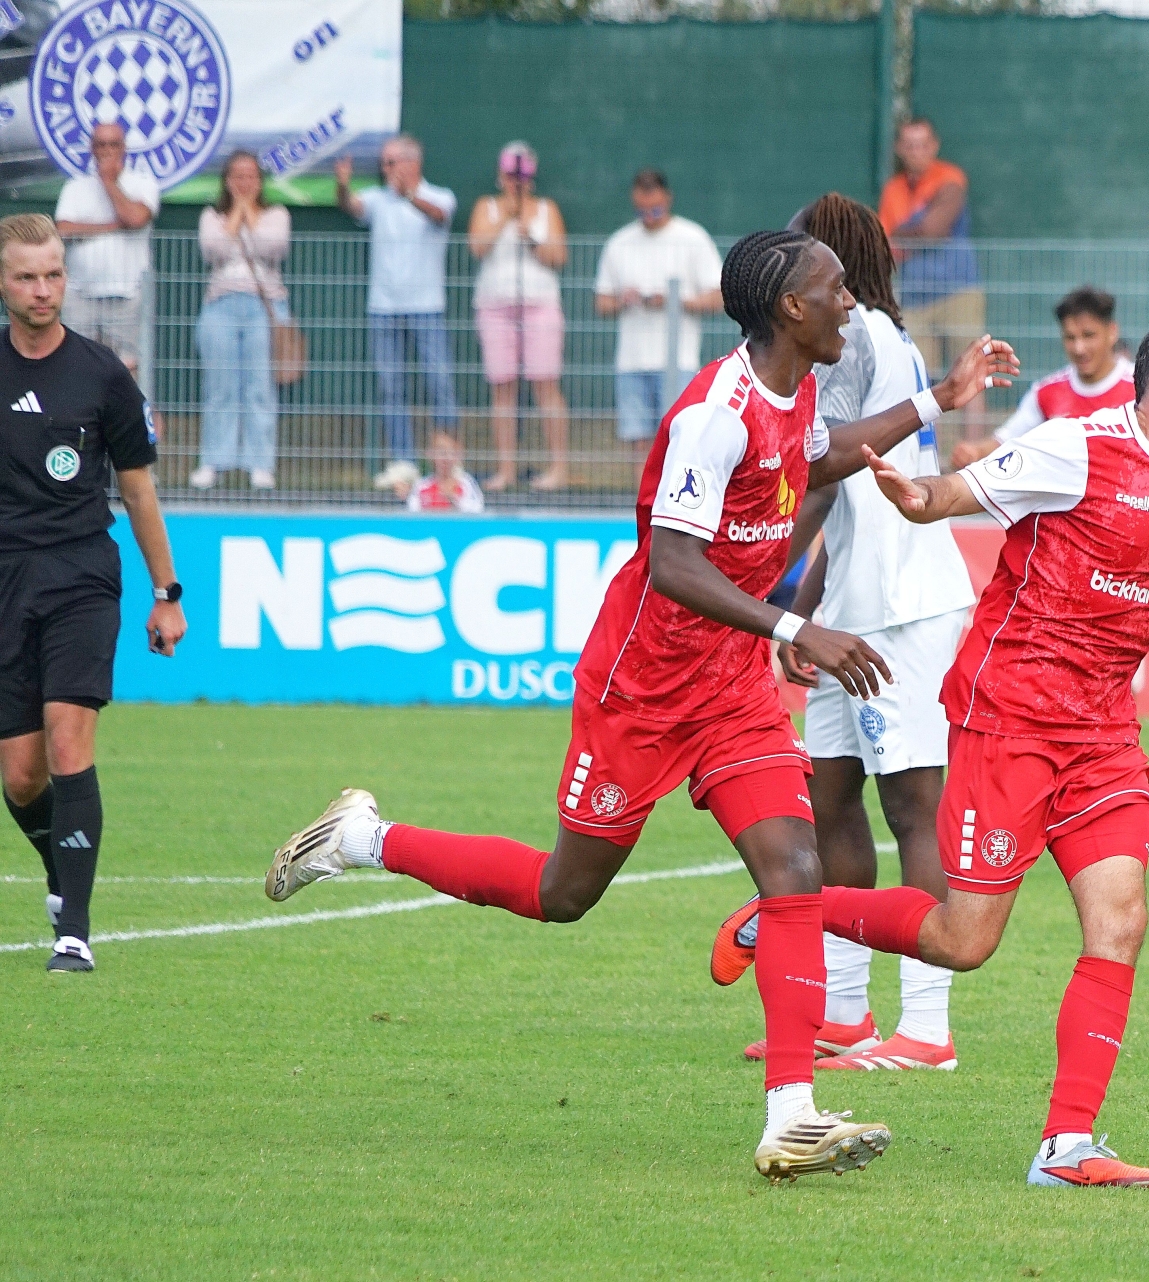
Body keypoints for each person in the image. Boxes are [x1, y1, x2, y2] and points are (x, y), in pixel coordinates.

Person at [263, 229, 1017, 1182]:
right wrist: (797, 627)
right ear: (790, 309)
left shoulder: (794, 392)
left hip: (731, 686)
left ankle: (791, 1115)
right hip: (644, 690)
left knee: (792, 869)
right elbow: (671, 564)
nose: (849, 303)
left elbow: (819, 456)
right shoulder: (715, 415)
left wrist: (937, 398)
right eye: (835, 290)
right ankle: (365, 839)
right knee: (563, 894)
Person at [712, 318, 1149, 1189]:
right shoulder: (1077, 448)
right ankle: (788, 913)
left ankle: (1066, 1147)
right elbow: (947, 497)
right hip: (1013, 724)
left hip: (1104, 735)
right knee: (963, 941)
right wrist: (914, 495)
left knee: (1121, 921)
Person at [750, 193, 977, 1073]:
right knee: (832, 798)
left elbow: (818, 469)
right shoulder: (872, 338)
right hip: (856, 603)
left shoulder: (864, 338)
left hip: (903, 605)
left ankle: (926, 1026)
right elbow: (842, 498)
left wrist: (759, 585)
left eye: (808, 255)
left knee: (912, 807)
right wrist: (803, 611)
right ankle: (844, 1011)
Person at [0, 214, 186, 973]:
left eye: (53, 275)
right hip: (6, 581)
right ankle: (60, 869)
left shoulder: (103, 374)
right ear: (3, 283)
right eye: (26, 277)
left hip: (81, 576)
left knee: (69, 737)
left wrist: (167, 592)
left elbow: (138, 492)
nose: (42, 290)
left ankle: (73, 930)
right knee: (21, 775)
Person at [336, 136, 459, 492]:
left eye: (391, 162)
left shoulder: (440, 195)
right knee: (391, 387)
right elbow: (352, 206)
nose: (386, 169)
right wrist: (342, 185)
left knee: (440, 383)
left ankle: (449, 462)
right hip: (383, 308)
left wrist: (409, 197)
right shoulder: (378, 199)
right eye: (384, 163)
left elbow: (439, 215)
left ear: (412, 163)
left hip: (427, 307)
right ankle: (403, 462)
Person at [594, 170, 724, 492]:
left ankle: (673, 504)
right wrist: (625, 300)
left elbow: (718, 296)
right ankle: (644, 505)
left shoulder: (693, 238)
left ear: (667, 199)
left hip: (679, 361)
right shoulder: (620, 242)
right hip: (632, 360)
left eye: (655, 208)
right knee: (639, 441)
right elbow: (602, 301)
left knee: (678, 438)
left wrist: (675, 301)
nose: (649, 216)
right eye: (642, 210)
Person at [469, 142, 570, 493]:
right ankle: (506, 470)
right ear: (500, 176)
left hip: (539, 303)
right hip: (495, 304)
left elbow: (558, 256)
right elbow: (478, 247)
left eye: (522, 176)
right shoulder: (486, 207)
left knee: (545, 383)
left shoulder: (545, 209)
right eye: (511, 176)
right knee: (503, 386)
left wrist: (529, 234)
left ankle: (559, 468)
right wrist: (507, 217)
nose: (516, 183)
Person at [878, 119, 984, 442]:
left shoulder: (950, 178)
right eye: (910, 145)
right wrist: (911, 235)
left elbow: (934, 228)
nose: (917, 152)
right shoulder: (893, 190)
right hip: (915, 298)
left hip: (958, 291)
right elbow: (887, 243)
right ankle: (937, 454)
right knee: (922, 381)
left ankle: (973, 451)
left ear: (934, 146)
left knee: (971, 372)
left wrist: (904, 234)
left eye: (923, 144)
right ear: (899, 149)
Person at [189, 152, 289, 493]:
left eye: (250, 176)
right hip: (221, 305)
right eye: (237, 176)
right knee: (221, 387)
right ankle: (215, 461)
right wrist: (237, 212)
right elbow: (213, 250)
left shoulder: (277, 214)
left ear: (260, 181)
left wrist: (250, 214)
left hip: (265, 306)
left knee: (260, 386)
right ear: (227, 181)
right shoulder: (212, 216)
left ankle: (260, 464)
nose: (244, 183)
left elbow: (272, 248)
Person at [951, 285, 1133, 468]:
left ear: (1112, 332)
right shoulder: (1047, 392)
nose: (1079, 348)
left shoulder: (1139, 386)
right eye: (1070, 338)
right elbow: (1006, 440)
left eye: (1089, 336)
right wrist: (976, 452)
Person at [52, 122, 160, 382]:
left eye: (113, 144)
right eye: (101, 144)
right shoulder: (75, 187)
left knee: (127, 373)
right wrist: (113, 226)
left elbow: (135, 218)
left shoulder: (143, 183)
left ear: (123, 148)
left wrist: (109, 182)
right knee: (77, 369)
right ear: (92, 148)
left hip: (128, 294)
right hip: (81, 294)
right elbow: (63, 229)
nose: (107, 150)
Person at [395, 430, 484, 514]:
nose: (446, 458)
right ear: (430, 454)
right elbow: (413, 512)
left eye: (451, 452)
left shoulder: (467, 484)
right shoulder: (422, 486)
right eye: (441, 452)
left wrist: (454, 500)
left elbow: (477, 510)